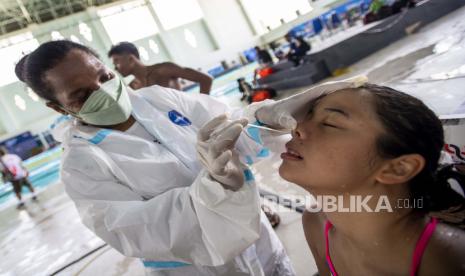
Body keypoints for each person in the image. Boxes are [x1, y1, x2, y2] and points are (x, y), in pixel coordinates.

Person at [14, 40, 295, 276]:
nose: (103, 93)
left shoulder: (158, 99)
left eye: (104, 77)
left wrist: (263, 121)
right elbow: (140, 230)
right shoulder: (81, 166)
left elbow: (228, 126)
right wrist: (214, 187)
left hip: (264, 252)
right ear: (59, 108)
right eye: (82, 95)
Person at [254, 77, 465, 275]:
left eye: (330, 124)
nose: (296, 128)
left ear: (397, 168)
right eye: (308, 117)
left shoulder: (444, 260)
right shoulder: (316, 223)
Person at [108, 42, 213, 94]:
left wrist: (201, 108)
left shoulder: (164, 69)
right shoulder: (133, 87)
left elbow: (206, 79)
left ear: (131, 59)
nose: (115, 68)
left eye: (117, 61)